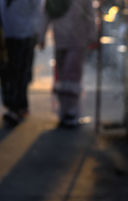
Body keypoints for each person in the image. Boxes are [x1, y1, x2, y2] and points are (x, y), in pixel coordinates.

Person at [39, 0, 97, 128]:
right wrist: (93, 36)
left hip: (65, 41)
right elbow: (90, 15)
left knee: (66, 76)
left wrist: (41, 36)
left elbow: (45, 16)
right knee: (71, 77)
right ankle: (69, 112)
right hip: (73, 41)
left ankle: (67, 111)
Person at [0, 0, 43, 126]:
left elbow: (38, 9)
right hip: (10, 34)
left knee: (19, 72)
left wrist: (38, 33)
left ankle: (17, 107)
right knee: (11, 72)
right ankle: (16, 106)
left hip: (24, 34)